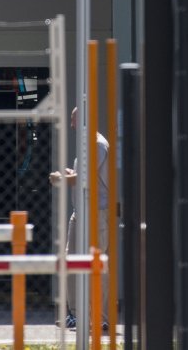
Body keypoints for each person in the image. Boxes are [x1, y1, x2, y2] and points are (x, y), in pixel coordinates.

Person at [51, 107, 110, 331]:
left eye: (74, 118)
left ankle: (100, 316)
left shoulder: (96, 144)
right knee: (71, 260)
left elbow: (85, 178)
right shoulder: (88, 143)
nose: (72, 123)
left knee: (96, 262)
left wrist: (60, 179)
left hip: (96, 212)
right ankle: (77, 314)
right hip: (81, 211)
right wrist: (69, 174)